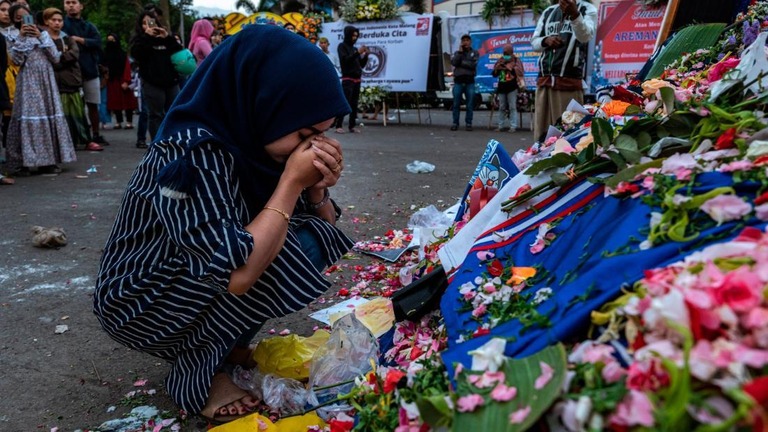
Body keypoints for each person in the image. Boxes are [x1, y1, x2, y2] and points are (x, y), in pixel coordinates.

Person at [94, 25, 351, 424]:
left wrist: (317, 190)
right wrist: (290, 183)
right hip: (140, 297)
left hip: (195, 277)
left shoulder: (254, 144)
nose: (312, 147)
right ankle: (199, 372)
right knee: (278, 251)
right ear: (263, 104)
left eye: (321, 135)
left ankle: (225, 347)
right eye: (304, 134)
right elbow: (237, 273)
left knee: (309, 238)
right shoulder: (191, 153)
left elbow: (326, 229)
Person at [6, 3, 76, 175]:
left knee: (48, 117)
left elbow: (55, 57)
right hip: (28, 82)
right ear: (16, 20)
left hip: (46, 81)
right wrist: (22, 38)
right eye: (20, 17)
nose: (24, 20)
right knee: (28, 118)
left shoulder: (43, 34)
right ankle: (23, 163)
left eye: (26, 16)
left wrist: (41, 37)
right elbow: (16, 60)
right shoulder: (12, 36)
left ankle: (48, 162)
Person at [531, 0, 597, 142]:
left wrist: (574, 15)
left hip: (568, 83)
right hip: (545, 82)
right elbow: (534, 42)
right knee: (541, 137)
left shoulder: (587, 9)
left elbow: (585, 36)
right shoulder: (548, 12)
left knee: (568, 134)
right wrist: (546, 40)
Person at [46, 7, 102, 151]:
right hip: (54, 83)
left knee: (78, 113)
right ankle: (64, 143)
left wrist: (58, 58)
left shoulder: (67, 38)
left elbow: (74, 54)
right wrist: (59, 58)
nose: (57, 23)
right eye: (54, 20)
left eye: (59, 20)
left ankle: (86, 140)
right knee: (62, 115)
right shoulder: (43, 38)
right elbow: (46, 57)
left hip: (71, 81)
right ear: (47, 21)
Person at [130, 10, 181, 144]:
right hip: (152, 82)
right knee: (155, 115)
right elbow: (137, 54)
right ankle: (157, 144)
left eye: (151, 22)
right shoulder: (140, 40)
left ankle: (174, 142)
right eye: (144, 23)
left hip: (171, 82)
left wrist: (167, 37)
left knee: (174, 112)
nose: (148, 25)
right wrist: (147, 37)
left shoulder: (165, 38)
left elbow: (179, 52)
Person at [63, 0, 109, 146]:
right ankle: (74, 135)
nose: (71, 5)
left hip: (89, 70)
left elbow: (98, 42)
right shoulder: (61, 25)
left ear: (81, 6)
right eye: (67, 2)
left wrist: (79, 40)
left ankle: (95, 134)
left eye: (74, 2)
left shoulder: (89, 26)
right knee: (71, 105)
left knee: (93, 104)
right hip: (69, 72)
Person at [333, 25, 368, 134]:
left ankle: (351, 126)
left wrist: (365, 56)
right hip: (348, 79)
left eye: (356, 36)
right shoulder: (342, 46)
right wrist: (357, 53)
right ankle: (338, 125)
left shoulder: (354, 49)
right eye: (353, 35)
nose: (355, 38)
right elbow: (345, 61)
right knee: (345, 102)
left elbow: (361, 65)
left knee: (354, 103)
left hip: (357, 79)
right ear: (348, 35)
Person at [104, 33, 137, 129]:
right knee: (115, 102)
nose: (111, 43)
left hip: (122, 79)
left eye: (113, 40)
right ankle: (118, 121)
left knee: (128, 102)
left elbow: (127, 67)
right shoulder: (106, 54)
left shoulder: (122, 54)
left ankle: (129, 121)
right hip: (112, 80)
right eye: (109, 40)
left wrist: (126, 81)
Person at [492, 44, 525, 132]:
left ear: (511, 52)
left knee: (512, 107)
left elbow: (520, 72)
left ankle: (513, 126)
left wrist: (511, 68)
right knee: (501, 107)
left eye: (507, 53)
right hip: (502, 86)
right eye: (504, 53)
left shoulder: (516, 60)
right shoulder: (500, 61)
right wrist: (498, 68)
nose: (505, 54)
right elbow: (494, 74)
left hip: (512, 87)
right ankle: (500, 126)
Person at [450, 34, 479, 132]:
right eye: (463, 40)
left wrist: (461, 63)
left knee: (470, 104)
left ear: (470, 42)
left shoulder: (474, 53)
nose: (465, 42)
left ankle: (469, 123)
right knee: (456, 103)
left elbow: (472, 65)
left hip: (469, 81)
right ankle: (455, 123)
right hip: (458, 81)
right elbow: (454, 62)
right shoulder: (457, 53)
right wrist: (460, 53)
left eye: (467, 40)